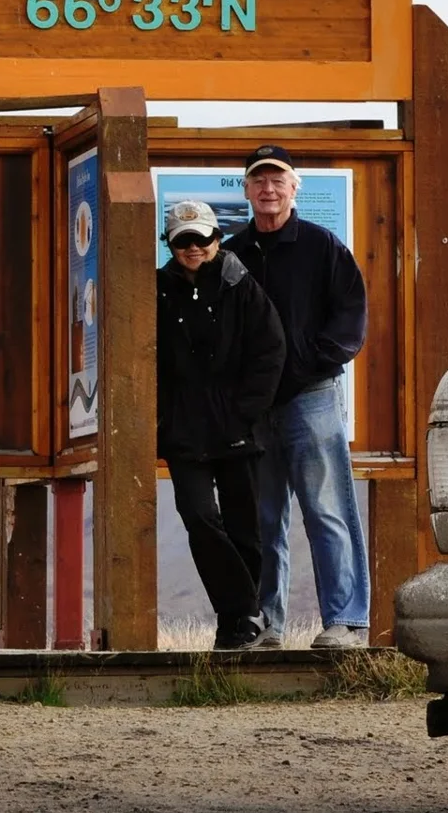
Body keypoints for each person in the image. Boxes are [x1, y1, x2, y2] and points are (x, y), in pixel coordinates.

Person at [223, 144, 371, 649]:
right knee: (262, 518)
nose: (268, 189)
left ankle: (346, 622)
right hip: (253, 409)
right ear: (245, 189)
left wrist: (312, 363)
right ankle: (268, 623)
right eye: (259, 180)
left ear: (294, 188)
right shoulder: (231, 254)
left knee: (326, 511)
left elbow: (350, 316)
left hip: (312, 398)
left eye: (277, 180)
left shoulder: (322, 246)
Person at [156, 199, 287, 649]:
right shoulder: (155, 290)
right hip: (183, 430)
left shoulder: (243, 287)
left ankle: (235, 627)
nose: (194, 247)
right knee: (200, 519)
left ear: (217, 238)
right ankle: (245, 611)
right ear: (170, 244)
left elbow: (270, 352)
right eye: (183, 240)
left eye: (203, 237)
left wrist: (244, 413)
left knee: (244, 527)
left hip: (238, 430)